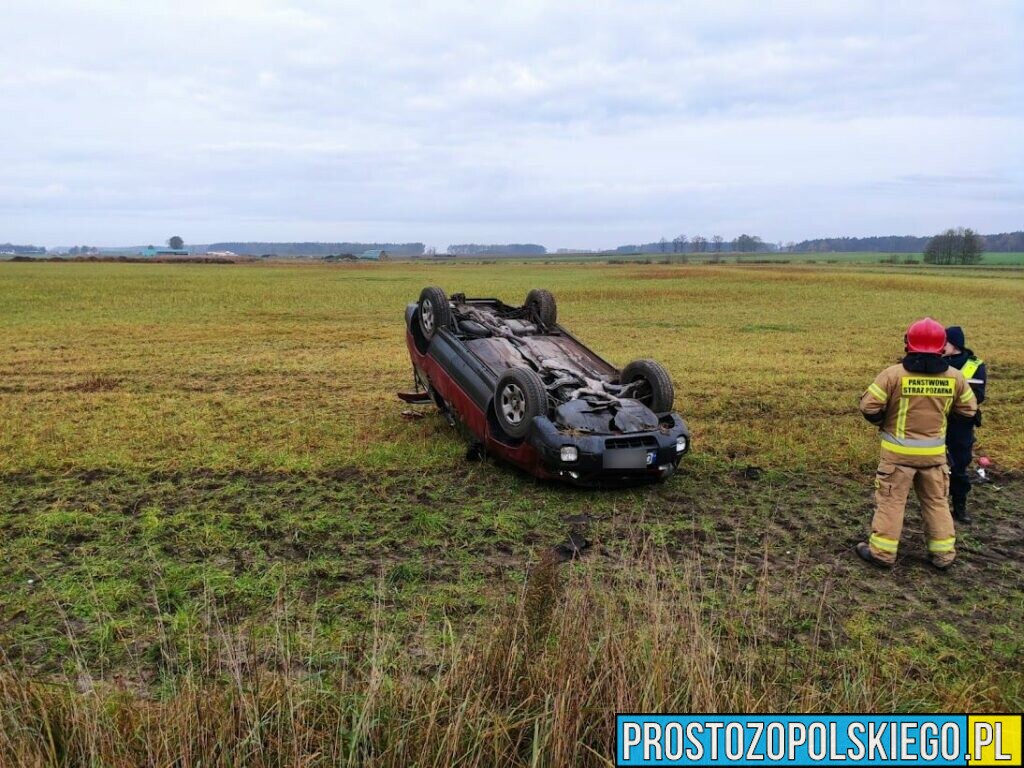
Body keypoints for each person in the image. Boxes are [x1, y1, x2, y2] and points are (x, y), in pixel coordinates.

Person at [856, 318, 977, 570]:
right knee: (936, 502)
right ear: (942, 347)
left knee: (891, 503)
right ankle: (943, 555)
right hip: (934, 456)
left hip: (897, 456)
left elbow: (868, 406)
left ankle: (882, 553)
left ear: (907, 344)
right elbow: (969, 410)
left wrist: (883, 419)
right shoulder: (955, 378)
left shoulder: (893, 375)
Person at [942, 326, 986, 523]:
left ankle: (959, 507)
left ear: (956, 344)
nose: (941, 346)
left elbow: (978, 396)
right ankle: (939, 508)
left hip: (961, 424)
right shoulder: (938, 361)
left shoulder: (975, 364)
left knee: (959, 465)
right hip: (938, 421)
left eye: (945, 343)